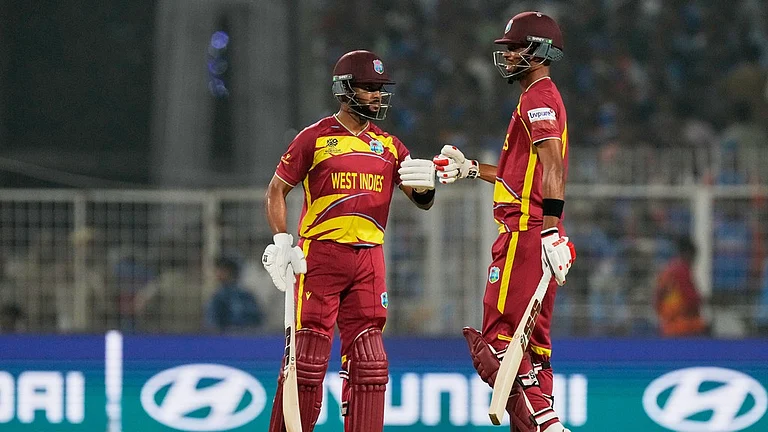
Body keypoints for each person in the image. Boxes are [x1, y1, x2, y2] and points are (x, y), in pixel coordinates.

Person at [261, 49, 436, 432]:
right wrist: (281, 241)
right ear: (345, 90)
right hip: (320, 257)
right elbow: (277, 190)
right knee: (307, 359)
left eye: (379, 88)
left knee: (371, 361)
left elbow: (420, 199)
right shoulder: (316, 138)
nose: (376, 95)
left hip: (369, 259)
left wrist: (426, 186)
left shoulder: (390, 146)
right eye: (369, 87)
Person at [433, 12, 575, 432]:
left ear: (542, 51)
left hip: (527, 234)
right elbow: (521, 175)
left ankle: (548, 428)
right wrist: (472, 169)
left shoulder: (538, 98)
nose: (509, 55)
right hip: (538, 233)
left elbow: (553, 168)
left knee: (498, 345)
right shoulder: (537, 97)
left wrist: (549, 229)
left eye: (517, 47)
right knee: (533, 351)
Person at [654, 237, 708, 337]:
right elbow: (691, 300)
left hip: (667, 326)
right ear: (688, 254)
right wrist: (704, 300)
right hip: (683, 326)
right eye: (694, 257)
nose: (694, 261)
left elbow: (657, 300)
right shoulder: (682, 270)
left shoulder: (667, 270)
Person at [205, 255, 264, 333]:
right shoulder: (218, 297)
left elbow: (257, 319)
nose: (219, 273)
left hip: (246, 337)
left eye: (223, 270)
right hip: (224, 338)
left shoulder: (245, 295)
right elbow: (212, 324)